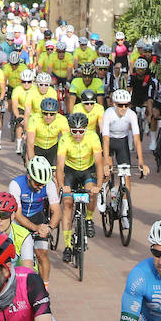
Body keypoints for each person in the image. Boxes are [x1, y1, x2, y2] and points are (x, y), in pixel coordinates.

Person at [56, 111, 104, 263]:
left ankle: (88, 218)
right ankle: (68, 246)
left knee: (91, 192)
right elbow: (59, 166)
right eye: (74, 131)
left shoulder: (93, 137)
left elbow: (99, 163)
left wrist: (99, 186)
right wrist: (62, 186)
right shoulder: (64, 139)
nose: (77, 134)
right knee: (67, 205)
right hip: (70, 171)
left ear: (85, 130)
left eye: (80, 131)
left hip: (87, 171)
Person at [9, 156, 61, 281]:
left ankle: (44, 289)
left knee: (42, 254)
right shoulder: (16, 184)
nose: (40, 187)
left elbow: (57, 212)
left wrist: (48, 228)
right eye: (37, 183)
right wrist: (35, 228)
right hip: (20, 219)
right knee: (12, 255)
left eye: (43, 184)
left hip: (38, 217)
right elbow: (17, 215)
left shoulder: (49, 184)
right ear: (29, 177)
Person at [26, 96, 69, 166]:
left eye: (52, 114)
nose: (48, 117)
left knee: (56, 172)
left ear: (56, 113)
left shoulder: (62, 120)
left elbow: (66, 141)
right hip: (37, 147)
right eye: (45, 113)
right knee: (32, 167)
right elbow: (30, 144)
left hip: (53, 147)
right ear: (41, 112)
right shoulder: (34, 119)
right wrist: (32, 163)